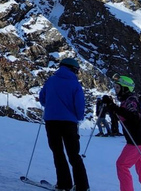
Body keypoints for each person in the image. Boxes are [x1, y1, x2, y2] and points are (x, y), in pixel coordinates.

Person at [38, 58, 90, 191]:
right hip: (69, 123)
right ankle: (82, 186)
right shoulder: (75, 84)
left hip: (51, 121)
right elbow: (79, 104)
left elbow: (42, 98)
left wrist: (51, 107)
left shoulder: (51, 80)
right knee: (74, 155)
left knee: (58, 152)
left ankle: (64, 184)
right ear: (73, 69)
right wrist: (78, 117)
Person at [102, 75, 141, 191]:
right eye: (115, 87)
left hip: (135, 140)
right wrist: (110, 105)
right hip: (140, 139)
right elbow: (120, 114)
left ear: (125, 88)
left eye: (118, 87)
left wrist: (112, 106)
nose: (116, 90)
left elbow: (133, 116)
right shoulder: (127, 100)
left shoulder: (131, 100)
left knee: (122, 165)